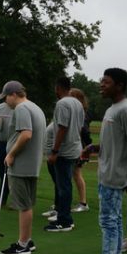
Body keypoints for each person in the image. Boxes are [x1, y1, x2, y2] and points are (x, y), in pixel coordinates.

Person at [76, 69, 127, 254]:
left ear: (120, 85)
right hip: (108, 172)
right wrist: (94, 147)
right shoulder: (113, 109)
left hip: (115, 175)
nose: (101, 85)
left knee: (108, 222)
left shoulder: (125, 109)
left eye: (107, 82)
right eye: (101, 81)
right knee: (114, 221)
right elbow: (118, 143)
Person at [0, 81, 45, 254]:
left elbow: (26, 134)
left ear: (14, 94)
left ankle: (22, 244)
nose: (5, 101)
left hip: (21, 165)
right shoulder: (35, 107)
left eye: (6, 97)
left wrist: (11, 154)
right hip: (32, 164)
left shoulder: (21, 109)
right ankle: (27, 241)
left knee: (23, 205)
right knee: (28, 204)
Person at [46, 77, 84, 232]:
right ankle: (64, 217)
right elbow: (79, 127)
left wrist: (55, 151)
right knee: (65, 185)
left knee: (63, 187)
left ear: (58, 88)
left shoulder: (62, 104)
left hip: (64, 151)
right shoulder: (78, 103)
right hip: (74, 148)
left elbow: (62, 128)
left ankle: (64, 220)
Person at [69, 88, 93, 213]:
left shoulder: (82, 113)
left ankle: (83, 203)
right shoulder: (79, 111)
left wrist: (86, 147)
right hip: (79, 146)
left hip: (80, 147)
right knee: (74, 174)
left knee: (77, 174)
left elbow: (84, 131)